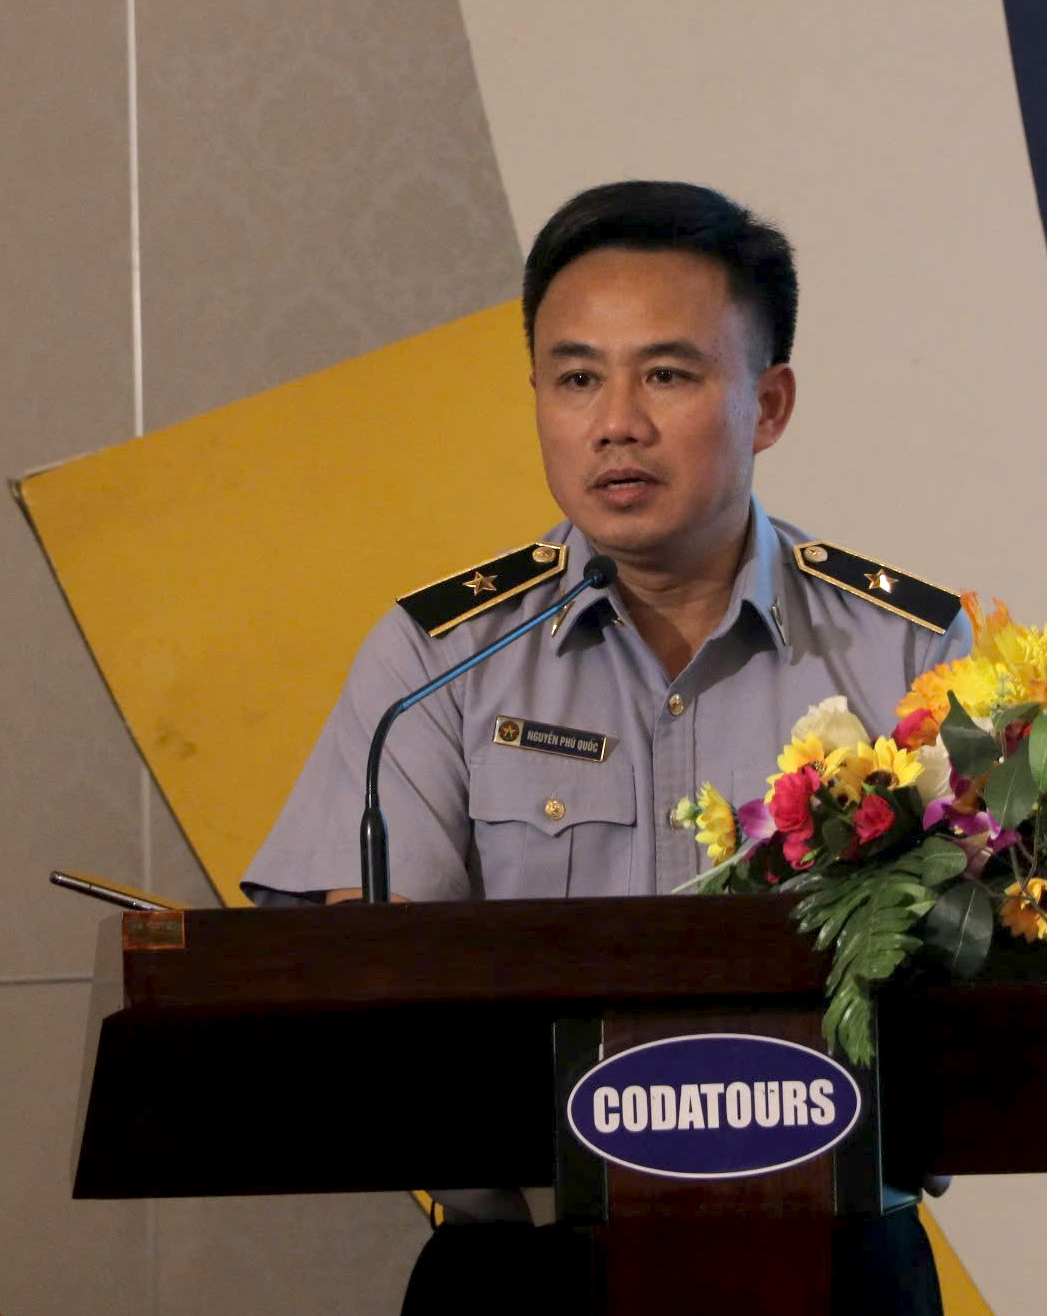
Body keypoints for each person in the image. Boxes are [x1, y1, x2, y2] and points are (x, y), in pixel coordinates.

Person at [242, 181, 971, 1315]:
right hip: (526, 1278)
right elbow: (390, 997)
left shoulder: (904, 651)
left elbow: (977, 992)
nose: (615, 421)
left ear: (768, 403)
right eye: (576, 377)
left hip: (832, 1266)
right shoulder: (439, 658)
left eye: (667, 375)